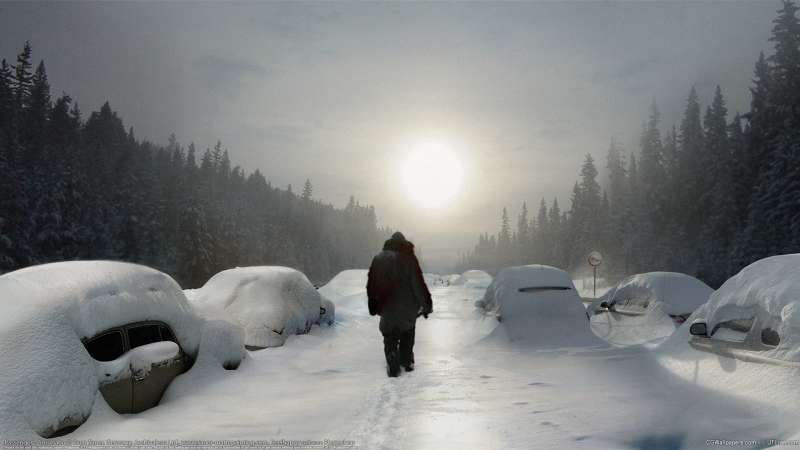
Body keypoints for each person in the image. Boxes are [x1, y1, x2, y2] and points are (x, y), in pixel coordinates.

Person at [366, 231, 432, 377]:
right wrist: (426, 305)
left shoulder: (379, 259)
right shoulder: (409, 259)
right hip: (408, 309)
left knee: (389, 336)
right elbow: (418, 284)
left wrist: (372, 302)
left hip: (387, 307)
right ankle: (407, 361)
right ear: (404, 244)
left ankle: (391, 356)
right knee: (408, 333)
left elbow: (372, 283)